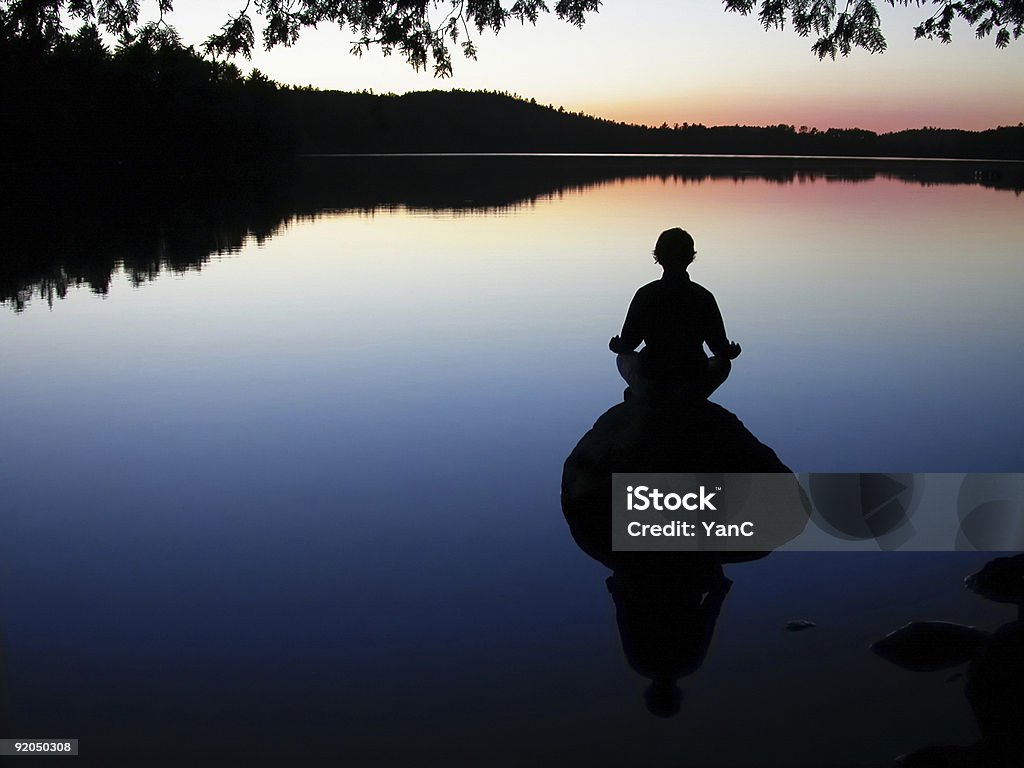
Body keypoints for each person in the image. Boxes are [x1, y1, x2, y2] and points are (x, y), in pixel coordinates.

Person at [609, 228, 741, 401]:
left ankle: (644, 395)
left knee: (623, 358)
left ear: (658, 257)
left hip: (654, 378)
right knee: (723, 364)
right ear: (690, 257)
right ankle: (688, 399)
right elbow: (719, 349)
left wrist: (617, 346)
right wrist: (731, 351)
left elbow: (628, 344)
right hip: (693, 378)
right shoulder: (703, 296)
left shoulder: (646, 294)